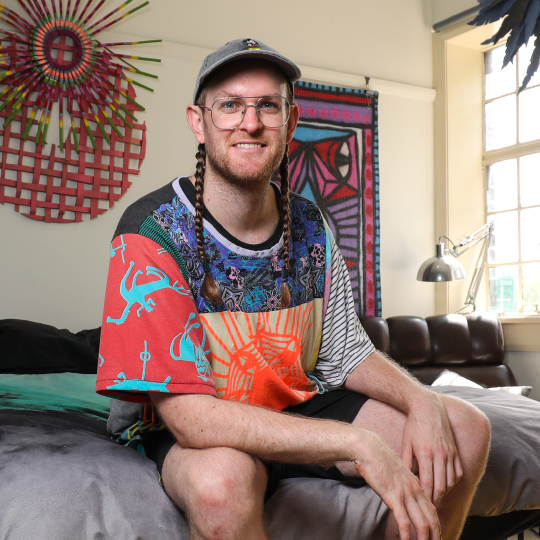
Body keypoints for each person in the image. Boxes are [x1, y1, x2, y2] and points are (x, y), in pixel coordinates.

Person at [96, 38, 491, 540]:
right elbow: (192, 420)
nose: (251, 121)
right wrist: (356, 442)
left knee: (468, 427)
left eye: (268, 106)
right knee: (221, 482)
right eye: (230, 105)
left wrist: (422, 400)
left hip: (293, 402)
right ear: (198, 121)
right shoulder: (149, 232)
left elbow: (343, 352)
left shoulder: (312, 222)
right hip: (184, 425)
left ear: (291, 120)